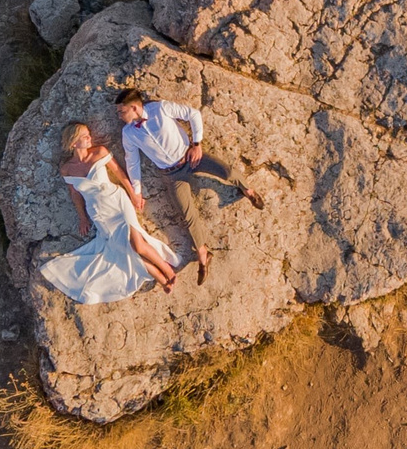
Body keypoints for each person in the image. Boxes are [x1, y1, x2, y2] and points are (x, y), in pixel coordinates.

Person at [116, 88, 268, 285]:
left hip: (191, 157)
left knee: (227, 172)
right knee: (188, 215)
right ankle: (204, 255)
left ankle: (248, 190)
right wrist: (136, 192)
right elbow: (132, 162)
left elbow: (192, 114)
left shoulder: (160, 109)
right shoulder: (128, 133)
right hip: (171, 175)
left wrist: (197, 143)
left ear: (134, 107)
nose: (119, 116)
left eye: (122, 111)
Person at [38, 120, 181, 302]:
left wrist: (134, 194)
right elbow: (75, 194)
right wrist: (83, 218)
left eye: (88, 134)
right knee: (122, 250)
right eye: (84, 136)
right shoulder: (66, 169)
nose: (89, 138)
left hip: (116, 202)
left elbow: (119, 173)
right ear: (74, 142)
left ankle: (168, 271)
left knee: (137, 244)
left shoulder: (99, 153)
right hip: (98, 212)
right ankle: (161, 278)